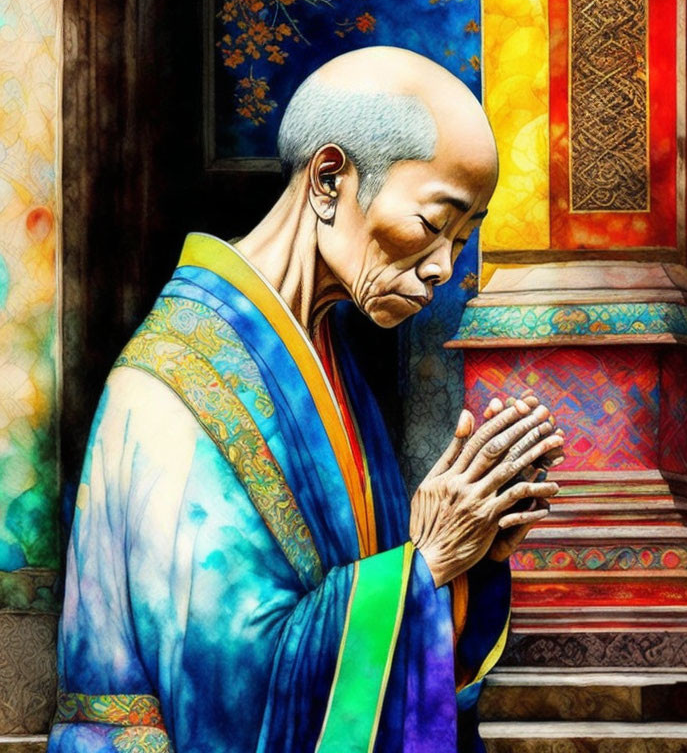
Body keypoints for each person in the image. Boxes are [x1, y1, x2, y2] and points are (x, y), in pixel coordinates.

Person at [48, 47, 564, 753]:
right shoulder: (170, 388)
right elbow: (225, 696)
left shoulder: (327, 360)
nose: (445, 265)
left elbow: (364, 638)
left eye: (463, 238)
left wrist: (466, 566)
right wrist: (426, 565)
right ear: (329, 180)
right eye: (434, 223)